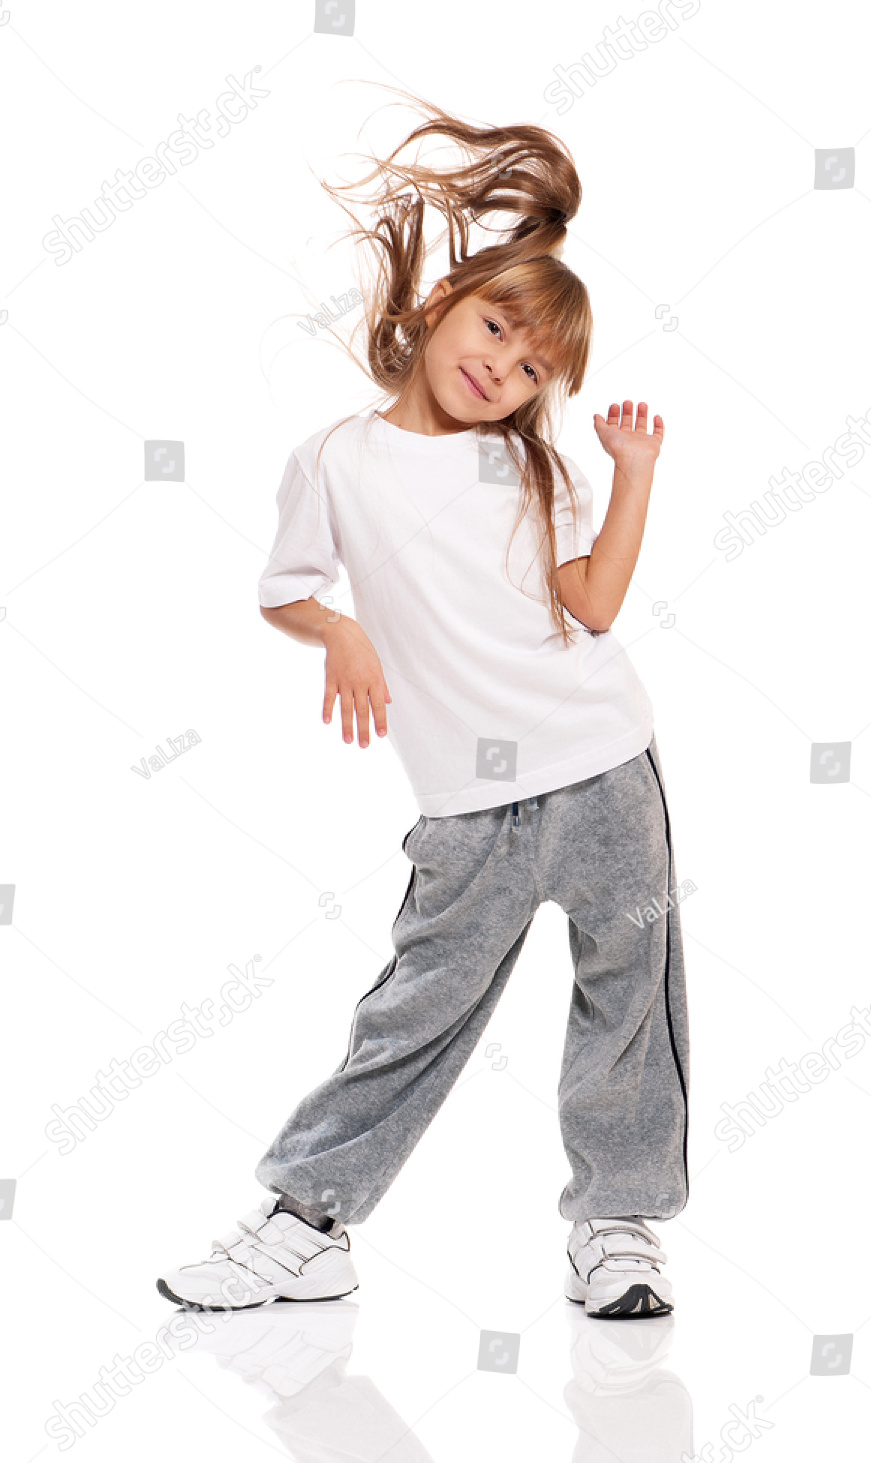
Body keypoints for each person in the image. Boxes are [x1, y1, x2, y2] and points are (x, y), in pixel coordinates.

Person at [157, 94, 690, 1320]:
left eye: (527, 369)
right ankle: (309, 1222)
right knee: (412, 1013)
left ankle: (615, 1226)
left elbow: (593, 605)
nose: (498, 367)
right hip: (466, 802)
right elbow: (284, 590)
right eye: (493, 326)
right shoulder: (335, 459)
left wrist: (634, 479)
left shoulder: (528, 464)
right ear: (438, 305)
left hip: (605, 762)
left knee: (631, 992)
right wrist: (337, 627)